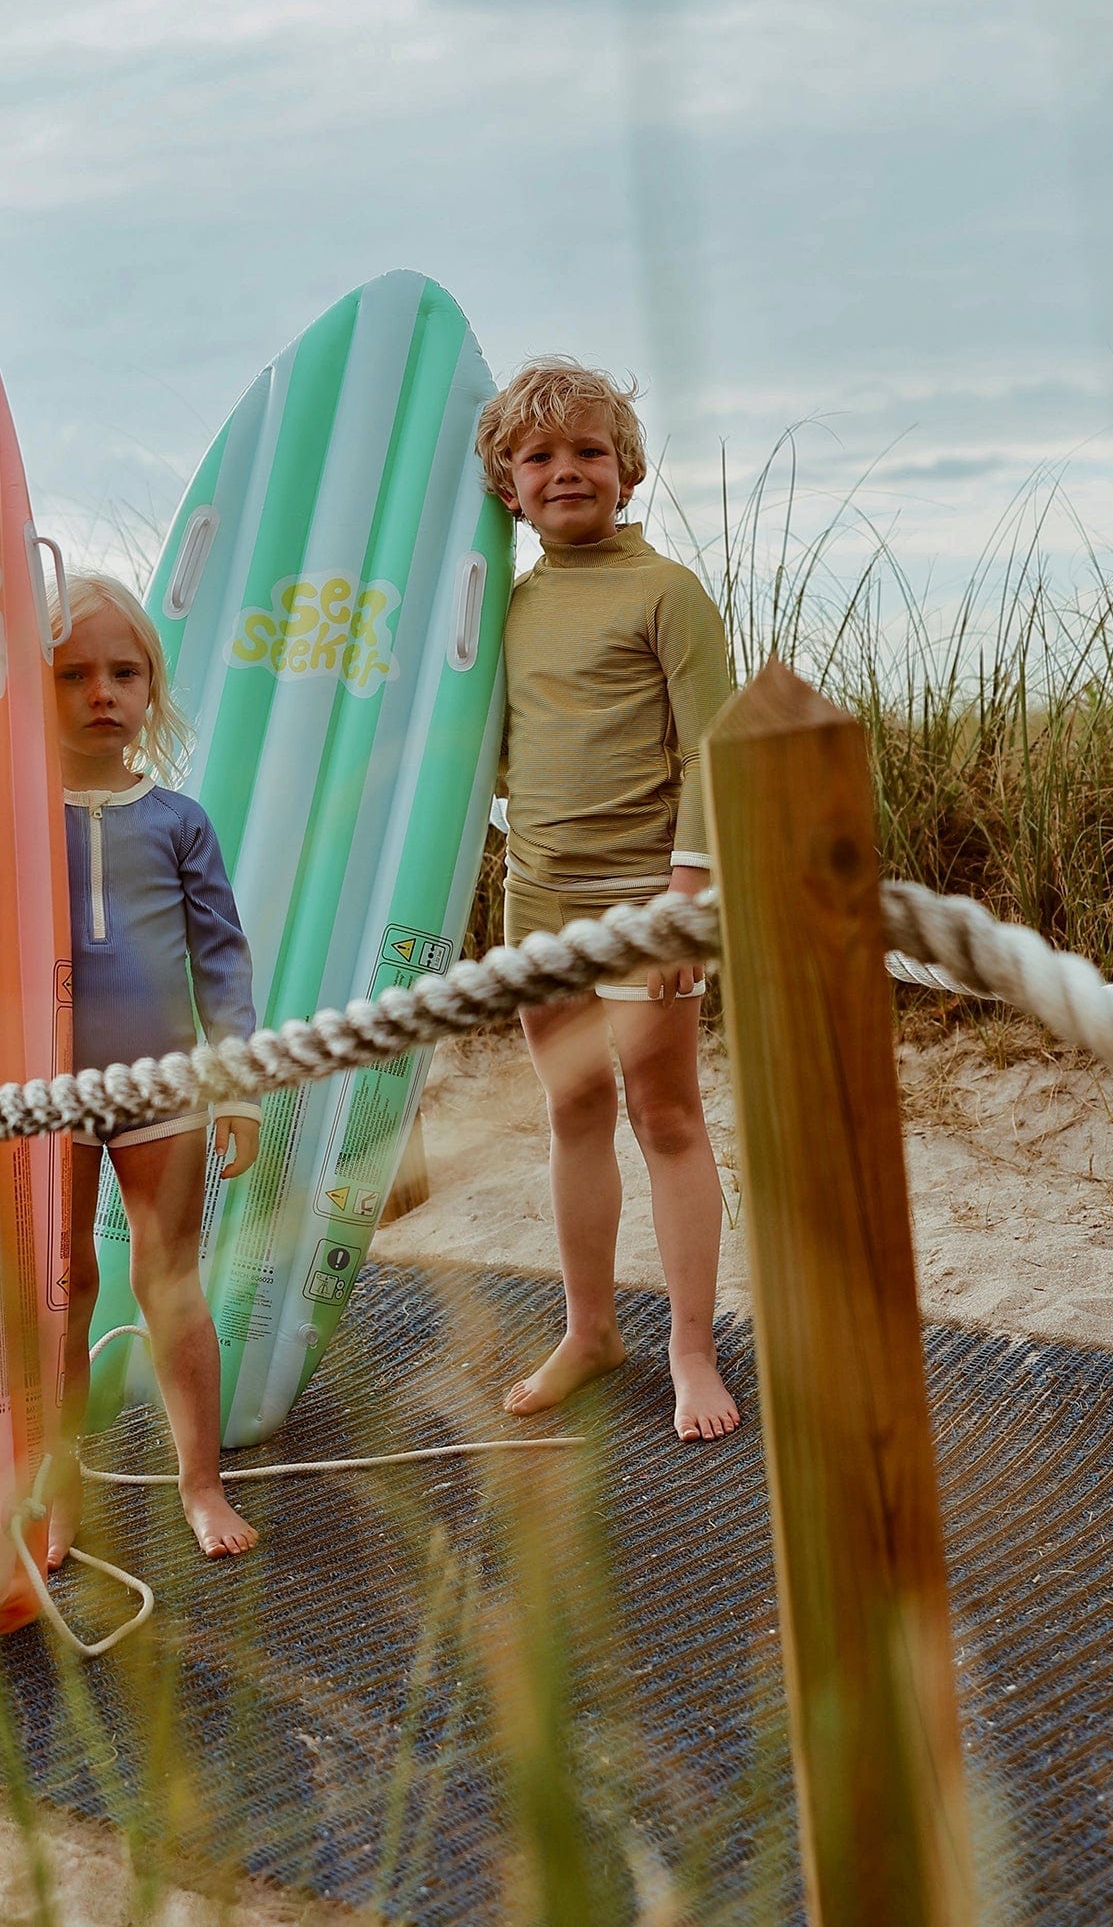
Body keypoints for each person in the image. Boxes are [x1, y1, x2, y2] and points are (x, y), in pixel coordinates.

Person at [474, 358, 740, 1442]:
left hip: (643, 903)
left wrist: (683, 900)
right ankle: (590, 1328)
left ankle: (687, 1341)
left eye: (587, 450)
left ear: (626, 469)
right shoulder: (507, 607)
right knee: (572, 1112)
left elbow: (713, 756)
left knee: (663, 1114)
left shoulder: (665, 592)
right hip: (537, 903)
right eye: (538, 456)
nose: (565, 470)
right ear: (506, 485)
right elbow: (486, 757)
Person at [45, 572, 263, 1559]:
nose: (101, 691)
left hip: (161, 1085)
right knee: (59, 1283)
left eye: (123, 672)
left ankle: (201, 1482)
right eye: (72, 673)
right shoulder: (4, 820)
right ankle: (55, 1490)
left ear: (151, 688)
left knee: (167, 1277)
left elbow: (220, 959)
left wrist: (235, 1083)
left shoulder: (176, 821)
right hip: (40, 1091)